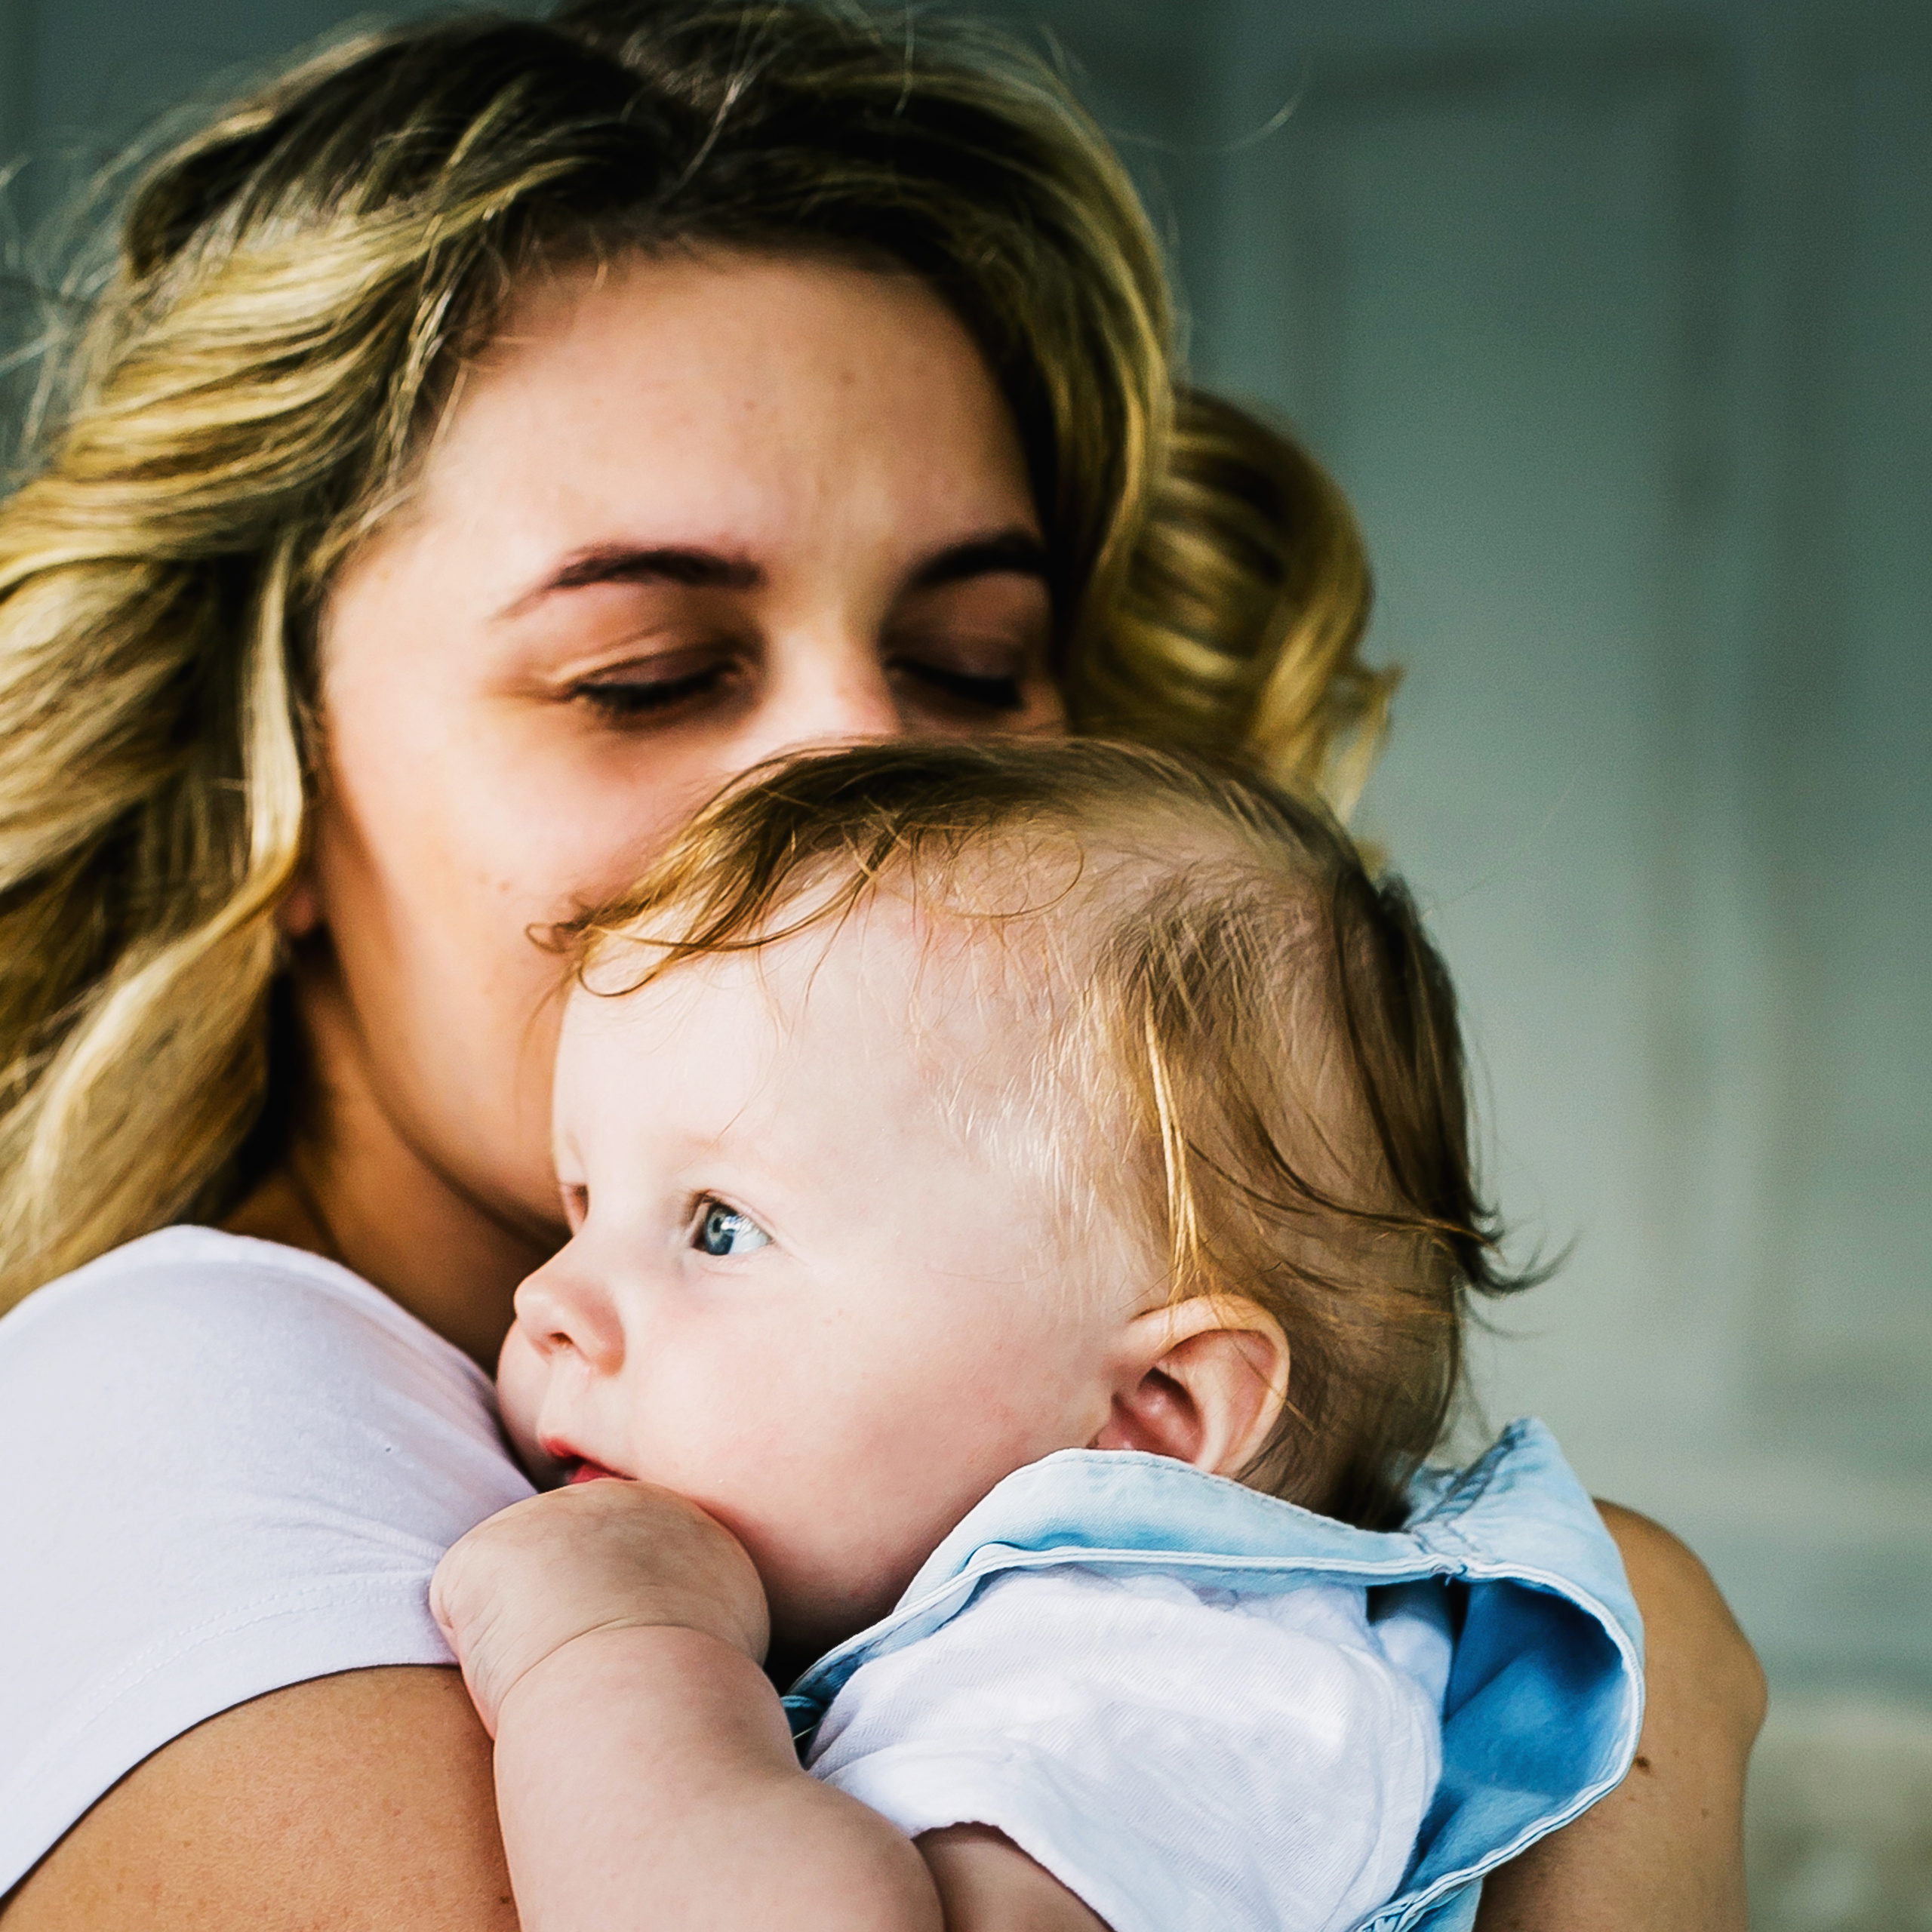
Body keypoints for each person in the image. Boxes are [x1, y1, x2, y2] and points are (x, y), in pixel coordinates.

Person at [0, 3, 1761, 1926]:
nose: (853, 777)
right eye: (647, 675)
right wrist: (1636, 1653)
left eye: (969, 664)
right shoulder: (175, 1399)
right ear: (271, 771)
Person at [429, 736, 1647, 1932]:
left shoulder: (1171, 1678)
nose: (549, 1299)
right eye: (581, 1203)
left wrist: (614, 1652)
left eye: (722, 1229)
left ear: (1150, 1415)